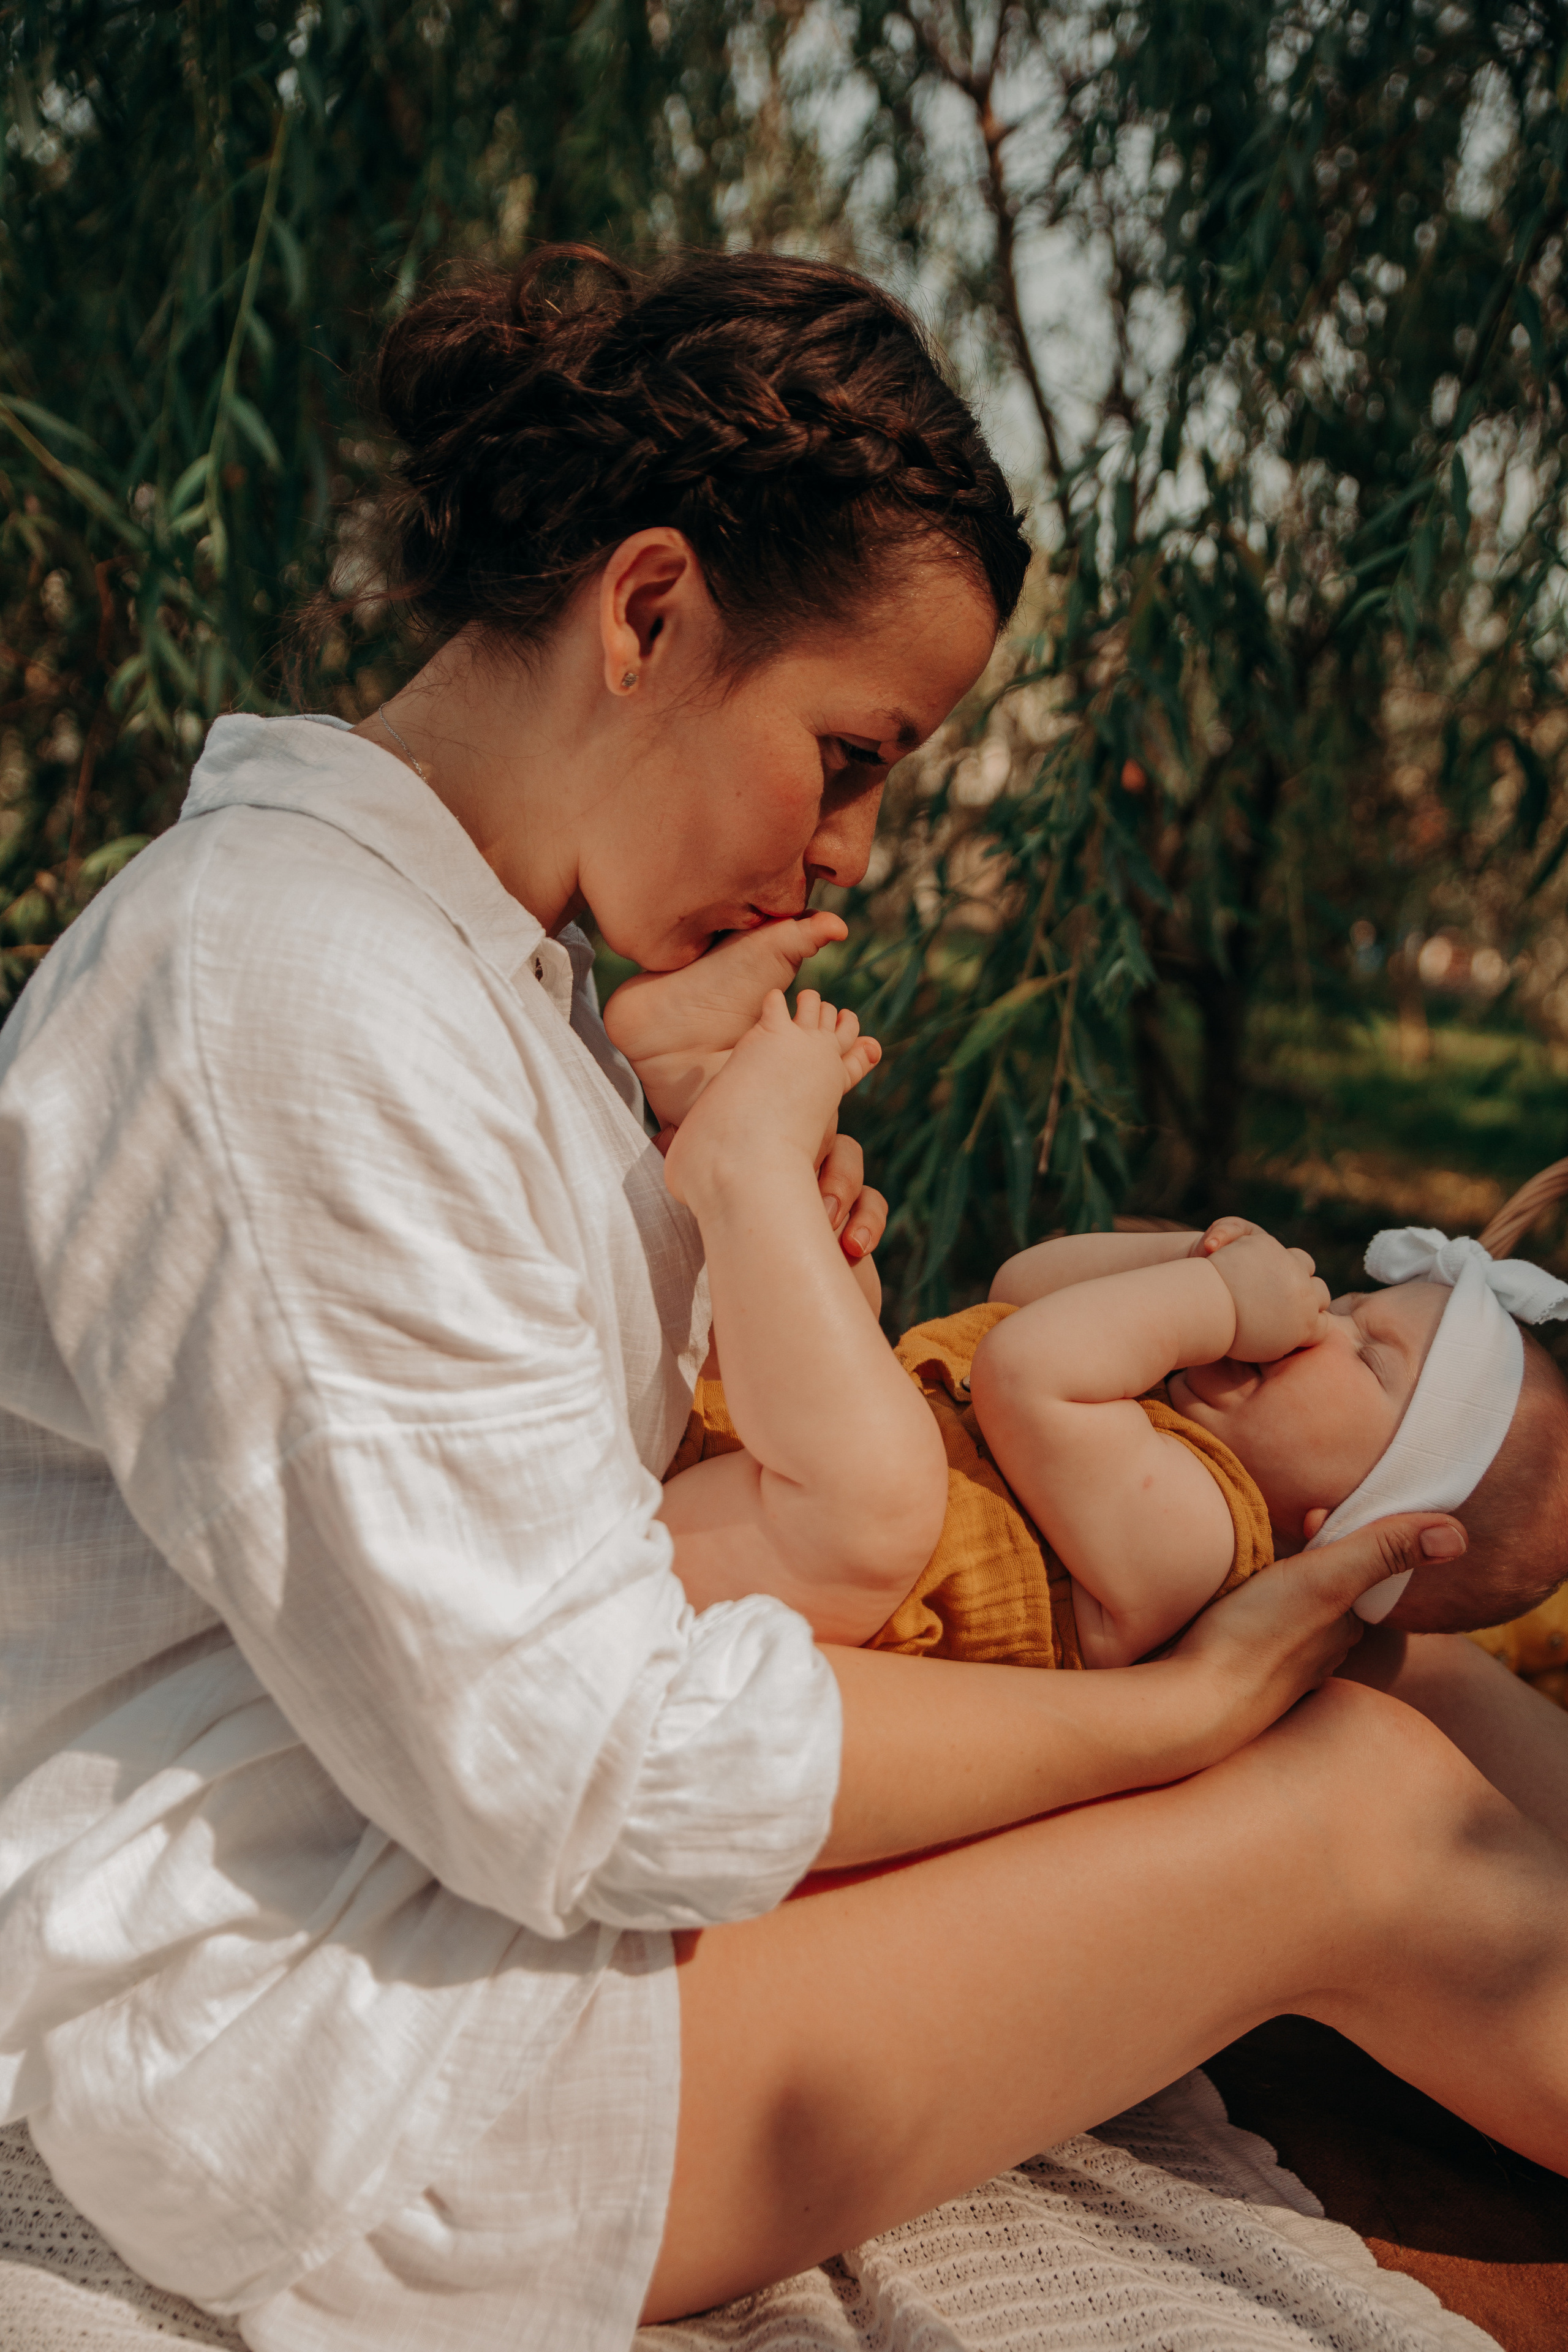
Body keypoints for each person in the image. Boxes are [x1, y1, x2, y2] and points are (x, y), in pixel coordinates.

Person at [1, 243, 1567, 2352]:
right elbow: (569, 1763)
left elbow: (541, 1527)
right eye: (855, 753)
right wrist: (1150, 1723)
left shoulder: (482, 977)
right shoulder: (286, 986)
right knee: (1359, 1820)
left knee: (1423, 1696)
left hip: (432, 1880)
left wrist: (710, 1243)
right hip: (334, 2047)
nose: (854, 857)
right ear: (647, 611)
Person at [633, 961, 1568, 1668]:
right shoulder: (1158, 1412)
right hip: (766, 1491)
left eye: (1368, 1356)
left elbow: (1026, 1370)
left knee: (874, 1459)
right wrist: (1185, 1256)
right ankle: (686, 1094)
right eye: (1356, 1302)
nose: (1327, 1317)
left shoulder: (1207, 1546)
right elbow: (1019, 1294)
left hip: (793, 1574)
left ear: (1354, 1519)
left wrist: (1215, 1303)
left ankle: (746, 1159)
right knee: (847, 1283)